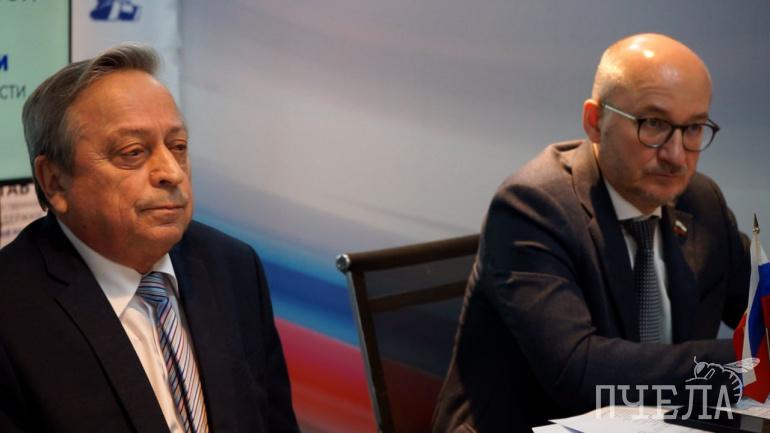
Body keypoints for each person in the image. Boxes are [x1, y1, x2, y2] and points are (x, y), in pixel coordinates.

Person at [432, 33, 751, 432]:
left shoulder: (701, 201)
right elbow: (579, 372)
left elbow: (758, 303)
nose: (676, 155)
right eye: (654, 124)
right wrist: (748, 363)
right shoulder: (533, 206)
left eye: (693, 128)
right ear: (595, 122)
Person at [0, 44, 300, 433]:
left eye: (178, 147)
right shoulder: (11, 309)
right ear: (55, 181)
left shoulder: (233, 266)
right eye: (133, 152)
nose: (171, 172)